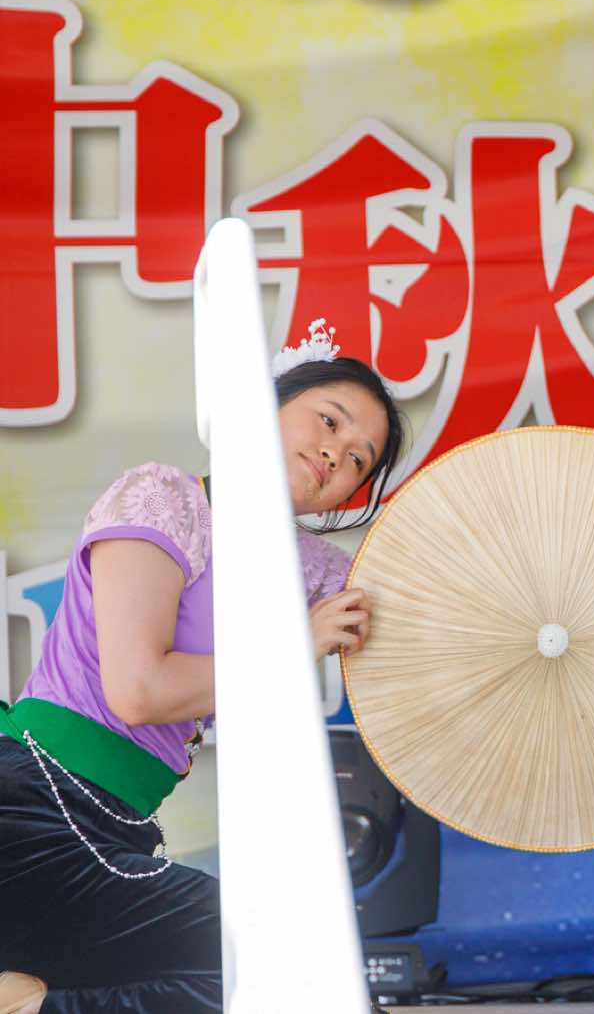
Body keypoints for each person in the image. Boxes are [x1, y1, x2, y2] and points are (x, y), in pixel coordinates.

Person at [0, 324, 401, 1014]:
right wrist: (292, 645)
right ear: (267, 402)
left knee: (285, 969)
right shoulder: (164, 498)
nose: (336, 451)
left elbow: (421, 607)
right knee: (278, 964)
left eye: (358, 459)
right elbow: (138, 691)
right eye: (329, 420)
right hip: (36, 805)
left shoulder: (310, 570)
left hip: (113, 826)